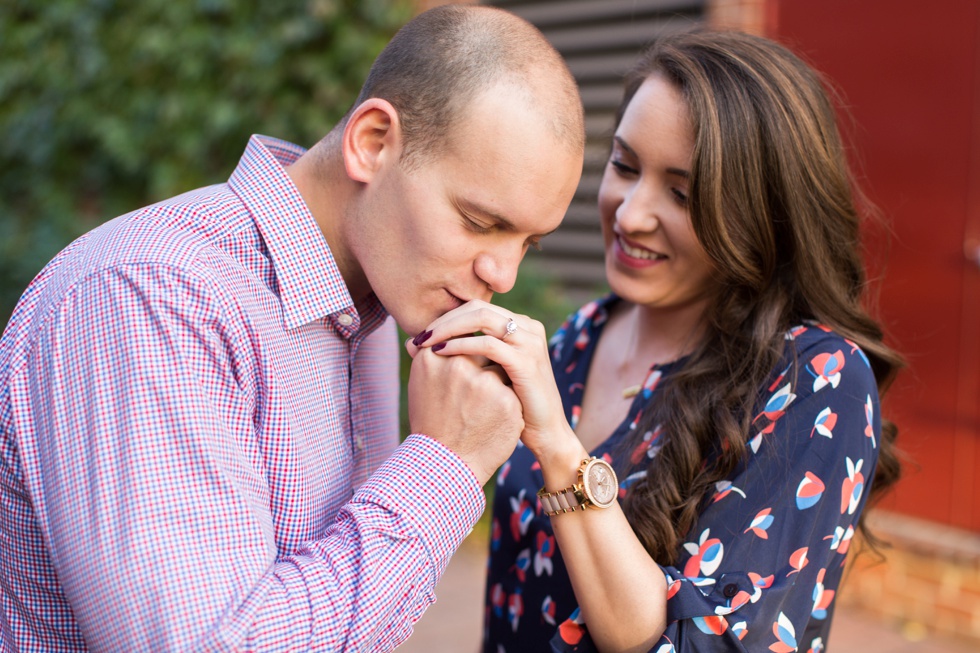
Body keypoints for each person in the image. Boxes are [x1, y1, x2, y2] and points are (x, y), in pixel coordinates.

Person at [0, 5, 584, 650]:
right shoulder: (152, 297)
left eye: (528, 242)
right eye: (479, 222)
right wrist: (443, 465)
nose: (501, 273)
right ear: (372, 142)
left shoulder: (372, 309)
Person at [409, 29, 902, 652]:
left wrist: (561, 452)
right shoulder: (579, 337)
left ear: (759, 213)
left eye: (682, 193)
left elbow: (704, 643)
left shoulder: (816, 380)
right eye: (624, 165)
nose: (630, 212)